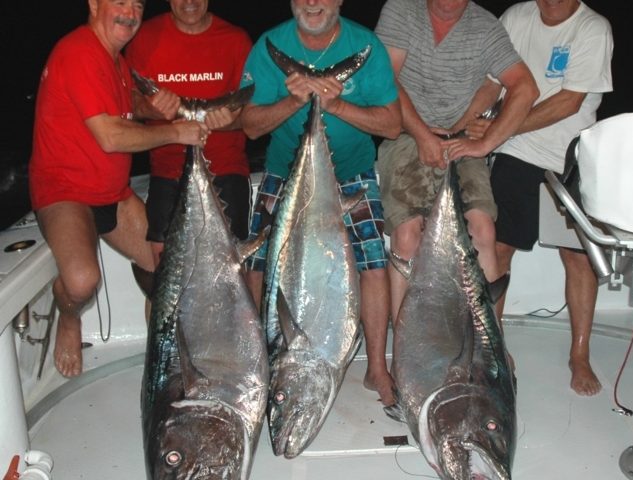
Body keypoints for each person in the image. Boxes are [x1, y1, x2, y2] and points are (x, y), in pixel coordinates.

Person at [29, 0, 210, 378]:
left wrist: (152, 108)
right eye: (120, 2)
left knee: (169, 266)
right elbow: (110, 136)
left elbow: (124, 104)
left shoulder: (114, 58)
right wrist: (176, 131)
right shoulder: (79, 51)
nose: (130, 12)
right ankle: (67, 317)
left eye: (138, 5)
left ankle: (160, 359)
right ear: (94, 4)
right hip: (66, 193)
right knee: (81, 282)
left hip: (112, 192)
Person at [240, 0, 402, 406]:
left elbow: (393, 124)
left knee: (373, 264)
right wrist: (295, 101)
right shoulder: (268, 46)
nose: (313, 3)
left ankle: (377, 367)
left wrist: (335, 104)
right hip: (286, 172)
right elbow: (250, 125)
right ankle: (260, 359)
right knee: (258, 265)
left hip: (354, 173)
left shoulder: (365, 46)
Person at [374, 0, 539, 324]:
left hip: (462, 139)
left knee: (483, 229)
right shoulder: (401, 9)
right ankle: (407, 351)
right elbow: (385, 79)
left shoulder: (486, 26)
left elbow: (525, 88)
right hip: (407, 135)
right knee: (407, 235)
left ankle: (489, 348)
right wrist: (423, 136)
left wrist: (485, 144)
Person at [487, 0, 613, 396]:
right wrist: (468, 126)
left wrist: (500, 127)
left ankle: (579, 353)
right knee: (497, 248)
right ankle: (492, 347)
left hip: (570, 154)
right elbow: (492, 83)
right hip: (514, 151)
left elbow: (568, 101)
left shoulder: (593, 28)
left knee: (578, 259)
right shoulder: (516, 17)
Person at [125, 0, 253, 267]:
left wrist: (230, 120)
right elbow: (130, 104)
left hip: (227, 171)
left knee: (231, 270)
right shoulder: (144, 38)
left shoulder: (236, 40)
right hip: (167, 172)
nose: (190, 2)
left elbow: (253, 113)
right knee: (164, 272)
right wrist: (152, 109)